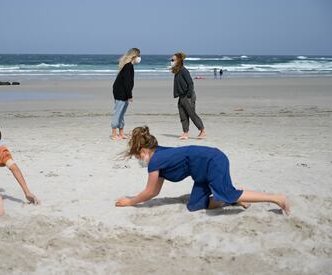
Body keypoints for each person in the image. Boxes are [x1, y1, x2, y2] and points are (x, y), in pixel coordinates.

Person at [115, 126, 290, 215]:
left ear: (144, 151)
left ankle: (276, 199)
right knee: (194, 206)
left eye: (137, 157)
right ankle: (235, 199)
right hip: (201, 173)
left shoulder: (156, 160)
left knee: (227, 192)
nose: (139, 160)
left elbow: (151, 191)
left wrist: (130, 202)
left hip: (213, 161)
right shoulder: (159, 155)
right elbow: (156, 188)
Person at [171, 52, 206, 139]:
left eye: (173, 60)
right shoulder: (177, 71)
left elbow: (190, 83)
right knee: (183, 115)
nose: (171, 61)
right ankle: (185, 133)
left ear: (178, 60)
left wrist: (189, 95)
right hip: (181, 96)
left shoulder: (184, 70)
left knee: (192, 114)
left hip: (188, 96)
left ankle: (202, 130)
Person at [110, 48, 141, 140]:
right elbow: (127, 82)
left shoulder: (129, 66)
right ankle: (114, 134)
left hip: (123, 92)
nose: (139, 58)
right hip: (120, 93)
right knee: (118, 113)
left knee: (122, 114)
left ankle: (121, 133)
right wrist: (129, 95)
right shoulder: (128, 66)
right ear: (134, 56)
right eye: (139, 56)